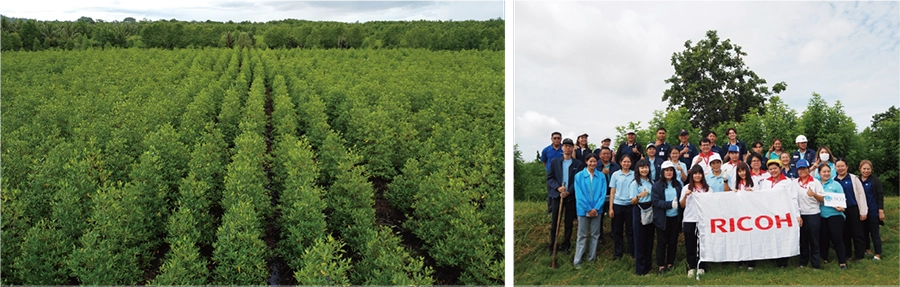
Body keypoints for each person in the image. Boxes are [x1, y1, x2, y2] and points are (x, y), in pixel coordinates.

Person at [546, 138, 585, 256]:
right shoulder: (554, 162)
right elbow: (549, 178)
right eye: (566, 146)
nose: (568, 148)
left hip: (570, 197)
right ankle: (553, 246)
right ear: (562, 148)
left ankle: (565, 246)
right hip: (557, 196)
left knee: (569, 223)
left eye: (570, 146)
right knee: (554, 223)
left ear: (573, 148)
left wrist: (569, 191)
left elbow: (578, 181)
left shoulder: (578, 164)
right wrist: (558, 188)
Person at [758, 158, 800, 268]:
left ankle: (783, 261)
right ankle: (773, 258)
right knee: (772, 236)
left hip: (784, 214)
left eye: (775, 168)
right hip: (769, 214)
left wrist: (797, 215)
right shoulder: (765, 182)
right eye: (770, 169)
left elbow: (793, 199)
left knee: (783, 237)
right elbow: (761, 197)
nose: (773, 171)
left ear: (780, 168)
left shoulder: (788, 182)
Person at [573, 153, 608, 268]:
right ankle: (577, 261)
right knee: (581, 235)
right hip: (583, 210)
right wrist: (588, 208)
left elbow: (603, 194)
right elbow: (579, 194)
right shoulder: (579, 176)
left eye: (594, 161)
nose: (593, 163)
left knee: (595, 234)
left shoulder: (601, 176)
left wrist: (596, 208)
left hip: (597, 210)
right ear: (586, 162)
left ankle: (591, 258)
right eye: (590, 161)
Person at [833, 158, 868, 261]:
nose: (840, 168)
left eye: (842, 166)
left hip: (853, 209)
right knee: (845, 234)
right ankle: (847, 255)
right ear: (835, 168)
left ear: (847, 167)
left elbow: (861, 195)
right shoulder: (834, 180)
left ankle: (859, 256)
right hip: (840, 210)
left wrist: (863, 211)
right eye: (838, 166)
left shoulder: (853, 178)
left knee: (857, 233)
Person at [652, 161, 683, 275]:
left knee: (673, 242)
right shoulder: (657, 185)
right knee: (662, 243)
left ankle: (670, 263)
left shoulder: (678, 184)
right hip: (662, 218)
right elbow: (655, 202)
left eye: (671, 170)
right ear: (663, 172)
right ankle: (661, 266)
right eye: (667, 170)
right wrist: (670, 204)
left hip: (675, 218)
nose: (669, 172)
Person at [794, 160, 825, 269]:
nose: (802, 171)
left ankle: (815, 263)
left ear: (808, 169)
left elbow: (822, 199)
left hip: (813, 214)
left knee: (814, 240)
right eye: (800, 169)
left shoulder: (815, 182)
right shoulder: (794, 183)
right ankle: (803, 262)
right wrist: (798, 215)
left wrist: (814, 194)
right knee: (802, 240)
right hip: (801, 215)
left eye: (804, 168)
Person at [680, 165, 710, 277]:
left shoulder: (707, 189)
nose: (697, 176)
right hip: (689, 219)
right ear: (691, 175)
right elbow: (682, 205)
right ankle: (691, 266)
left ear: (702, 175)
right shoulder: (686, 188)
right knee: (690, 243)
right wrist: (685, 197)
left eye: (699, 173)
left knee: (703, 244)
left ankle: (702, 266)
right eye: (695, 174)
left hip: (703, 220)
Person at [818, 164, 849, 269]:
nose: (826, 174)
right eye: (824, 172)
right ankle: (824, 259)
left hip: (835, 215)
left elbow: (843, 201)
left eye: (828, 171)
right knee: (824, 239)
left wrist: (842, 208)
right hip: (822, 215)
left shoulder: (836, 185)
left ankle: (842, 261)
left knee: (837, 239)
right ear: (819, 173)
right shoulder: (817, 185)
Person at [630, 159, 655, 275]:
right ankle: (640, 270)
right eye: (642, 168)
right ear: (638, 169)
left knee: (649, 240)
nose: (644, 170)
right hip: (639, 210)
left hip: (651, 210)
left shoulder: (652, 182)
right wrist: (639, 196)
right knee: (640, 240)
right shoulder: (635, 183)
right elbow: (632, 201)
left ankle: (648, 266)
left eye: (646, 167)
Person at [608, 155, 635, 260]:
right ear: (620, 162)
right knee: (617, 230)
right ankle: (618, 253)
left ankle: (632, 252)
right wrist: (611, 208)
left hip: (630, 205)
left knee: (630, 230)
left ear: (631, 163)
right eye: (624, 161)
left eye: (628, 162)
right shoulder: (615, 175)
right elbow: (612, 191)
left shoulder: (634, 174)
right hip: (618, 205)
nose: (626, 163)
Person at [858, 160, 884, 260]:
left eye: (868, 169)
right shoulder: (857, 180)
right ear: (860, 169)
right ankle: (867, 249)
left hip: (873, 210)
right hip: (862, 210)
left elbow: (880, 195)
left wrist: (880, 210)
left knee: (874, 233)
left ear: (871, 169)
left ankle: (878, 254)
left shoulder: (875, 180)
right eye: (864, 168)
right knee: (864, 231)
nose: (866, 171)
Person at [543, 131, 565, 215]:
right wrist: (549, 171)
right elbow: (544, 162)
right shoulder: (546, 150)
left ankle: (561, 210)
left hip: (562, 174)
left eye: (558, 138)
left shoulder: (563, 148)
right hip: (551, 175)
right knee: (551, 193)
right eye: (555, 138)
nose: (556, 140)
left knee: (562, 192)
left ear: (561, 139)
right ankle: (550, 211)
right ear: (551, 139)